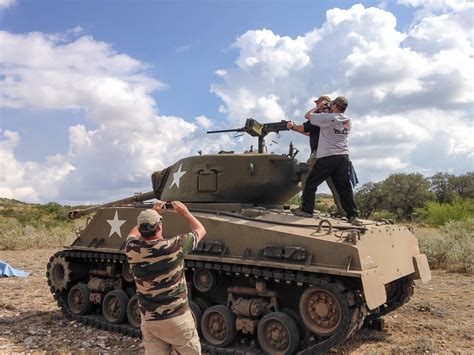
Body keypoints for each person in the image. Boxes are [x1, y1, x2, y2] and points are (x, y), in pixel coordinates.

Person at [125, 201, 206, 355]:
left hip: (150, 320)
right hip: (177, 319)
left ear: (141, 230)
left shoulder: (132, 249)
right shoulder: (175, 246)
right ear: (160, 227)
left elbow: (132, 235)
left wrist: (152, 213)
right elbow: (200, 230)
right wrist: (185, 212)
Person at [289, 96, 362, 225]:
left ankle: (306, 210)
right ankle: (352, 215)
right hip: (343, 156)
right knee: (344, 187)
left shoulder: (327, 118)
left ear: (334, 105)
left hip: (328, 156)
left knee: (311, 182)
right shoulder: (347, 120)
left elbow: (308, 115)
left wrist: (319, 107)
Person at [287, 95, 346, 216]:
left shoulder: (321, 117)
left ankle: (305, 207)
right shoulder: (331, 118)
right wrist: (294, 129)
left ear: (325, 104)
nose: (316, 105)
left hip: (319, 153)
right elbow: (309, 132)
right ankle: (343, 210)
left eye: (318, 103)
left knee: (307, 176)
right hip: (332, 154)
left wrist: (292, 126)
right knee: (334, 182)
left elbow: (305, 124)